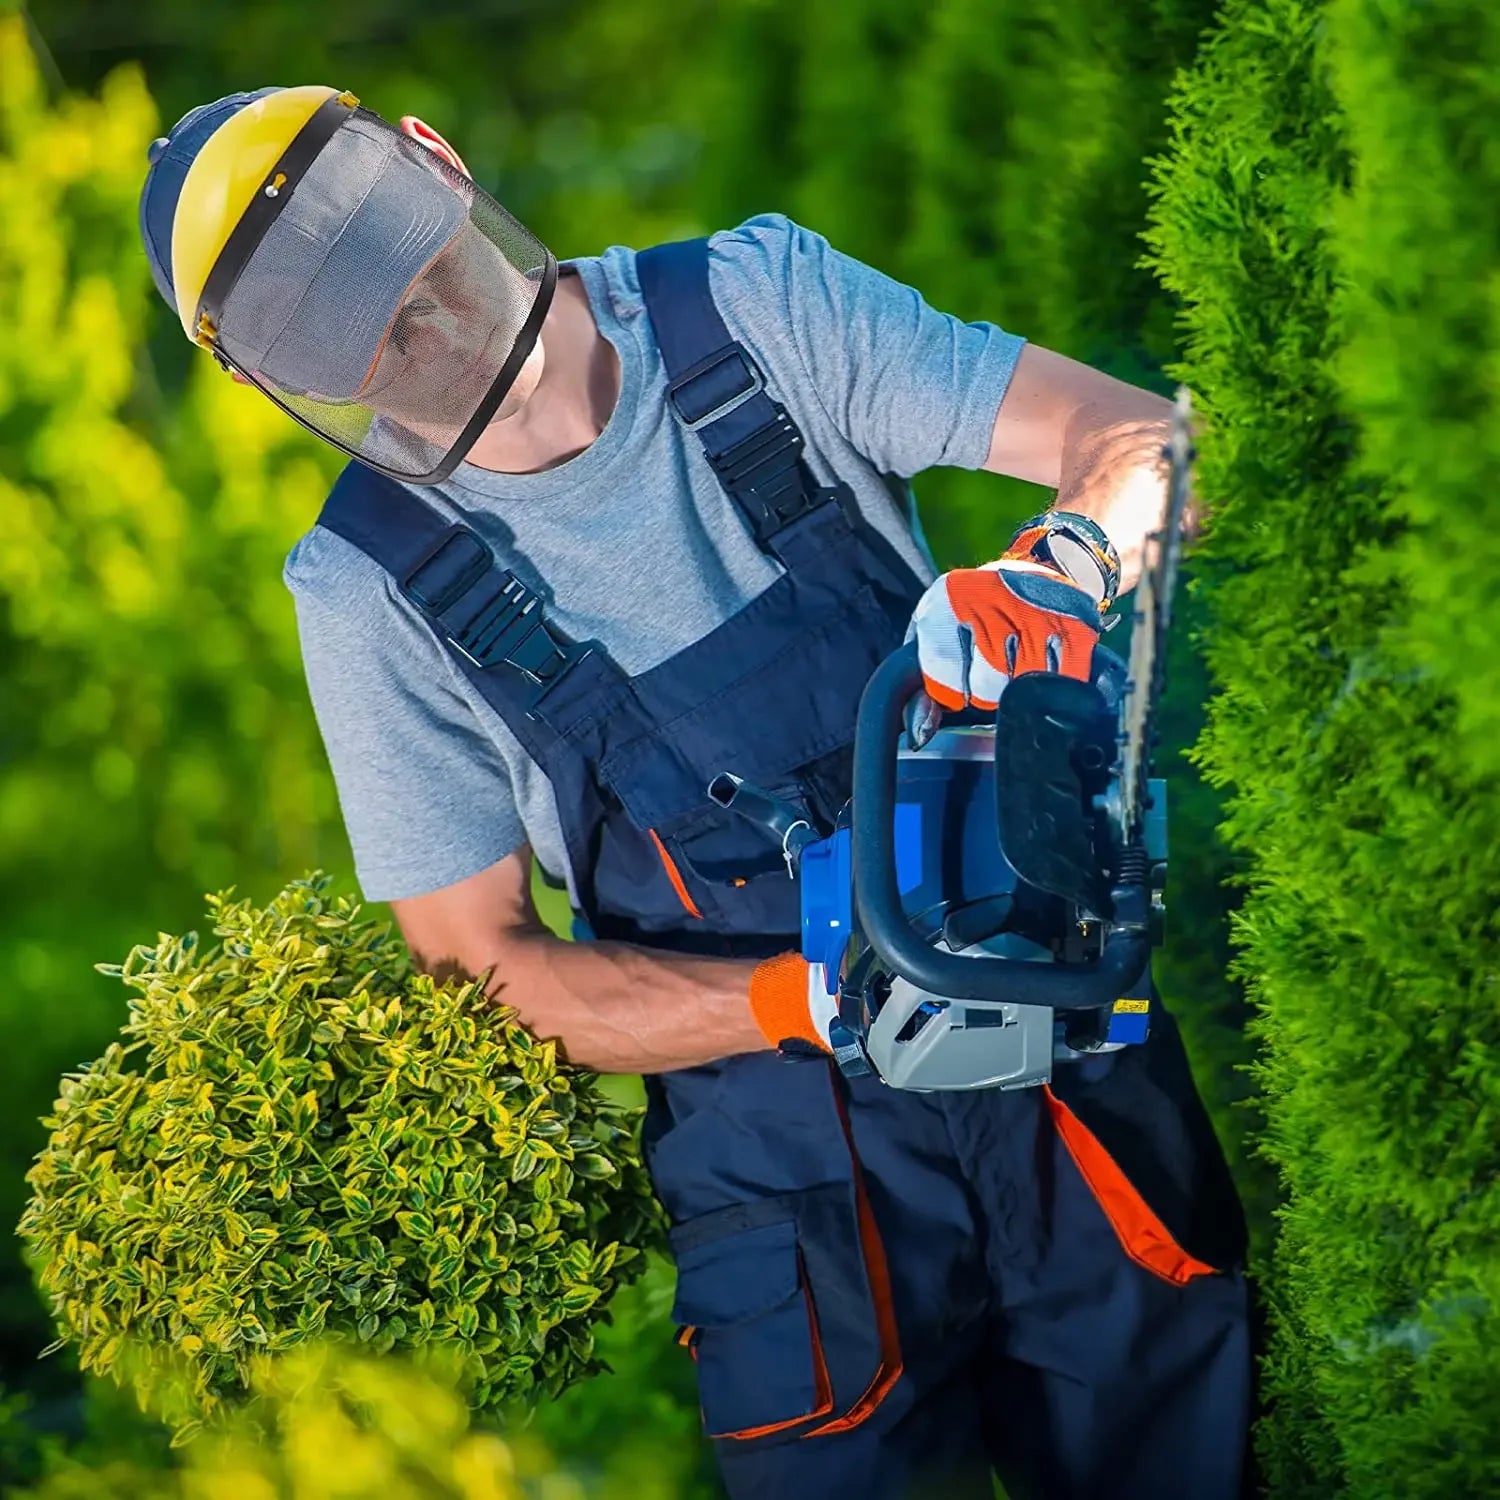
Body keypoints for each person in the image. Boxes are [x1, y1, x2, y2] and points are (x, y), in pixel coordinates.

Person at [139, 85, 1250, 1500]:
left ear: (435, 160)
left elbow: (1152, 443)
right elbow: (484, 974)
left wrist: (1069, 563)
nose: (406, 329)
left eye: (393, 265)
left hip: (1054, 1048)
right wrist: (804, 1000)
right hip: (787, 1186)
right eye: (337, 331)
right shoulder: (369, 593)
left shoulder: (753, 310)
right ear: (263, 378)